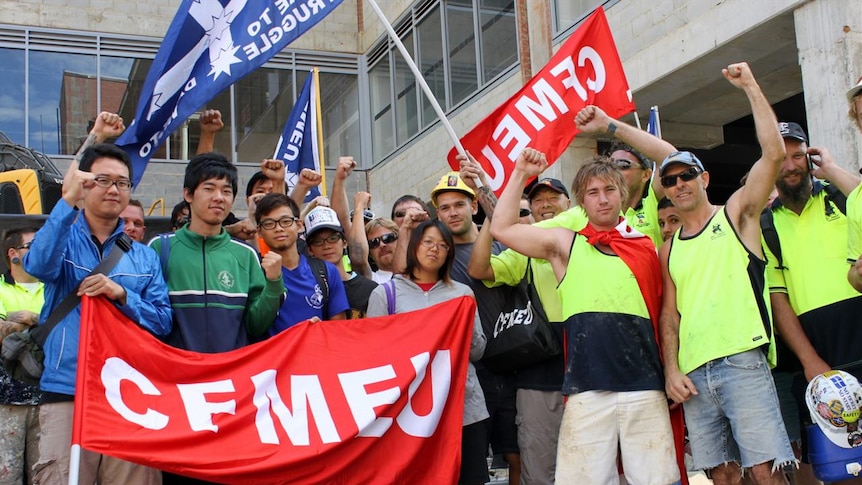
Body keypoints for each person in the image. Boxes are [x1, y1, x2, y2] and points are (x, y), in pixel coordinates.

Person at [490, 150, 679, 484]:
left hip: (645, 386)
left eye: (609, 190)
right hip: (587, 389)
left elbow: (666, 314)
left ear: (622, 193)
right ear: (580, 201)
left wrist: (671, 372)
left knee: (658, 481)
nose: (602, 200)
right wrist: (520, 172)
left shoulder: (646, 245)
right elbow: (502, 228)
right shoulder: (565, 244)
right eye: (593, 192)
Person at [657, 62, 795, 485]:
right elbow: (669, 316)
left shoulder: (736, 215)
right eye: (670, 180)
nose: (680, 184)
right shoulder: (668, 248)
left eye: (687, 176)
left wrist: (751, 85)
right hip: (694, 372)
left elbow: (773, 154)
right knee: (721, 474)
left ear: (705, 178)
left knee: (764, 469)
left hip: (742, 360)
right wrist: (671, 370)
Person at [24, 112, 172, 485]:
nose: (113, 189)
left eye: (122, 182)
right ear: (86, 186)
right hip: (66, 390)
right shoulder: (63, 235)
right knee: (61, 477)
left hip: (129, 394)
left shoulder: (144, 256)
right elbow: (39, 264)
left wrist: (121, 294)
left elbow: (162, 321)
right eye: (102, 180)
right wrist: (67, 200)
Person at [397, 169, 522, 485]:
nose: (452, 212)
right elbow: (403, 277)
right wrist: (404, 232)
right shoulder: (433, 259)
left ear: (475, 206)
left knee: (516, 455)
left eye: (460, 204)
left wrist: (482, 183)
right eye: (445, 207)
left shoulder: (497, 242)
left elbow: (513, 227)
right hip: (458, 379)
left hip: (510, 365)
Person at [764, 121, 862, 485]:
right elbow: (778, 299)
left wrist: (833, 169)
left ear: (809, 156)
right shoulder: (764, 225)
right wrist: (810, 362)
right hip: (818, 350)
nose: (789, 165)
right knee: (842, 465)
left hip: (858, 326)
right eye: (780, 157)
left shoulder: (842, 198)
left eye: (796, 155)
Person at [366, 219, 488, 485]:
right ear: (413, 246)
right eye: (428, 242)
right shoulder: (385, 295)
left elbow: (478, 351)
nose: (435, 249)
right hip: (408, 416)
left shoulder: (463, 294)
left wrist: (463, 327)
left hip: (464, 411)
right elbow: (372, 357)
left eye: (443, 245)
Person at [467, 177, 570, 485]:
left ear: (570, 204)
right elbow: (479, 269)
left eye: (554, 197)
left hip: (593, 374)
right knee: (540, 472)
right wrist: (491, 222)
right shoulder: (523, 251)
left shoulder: (590, 239)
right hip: (539, 379)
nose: (546, 204)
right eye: (539, 200)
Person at [149, 153, 284, 354]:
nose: (219, 197)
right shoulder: (159, 248)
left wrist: (274, 284)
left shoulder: (246, 254)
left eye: (226, 191)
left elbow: (256, 325)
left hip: (230, 378)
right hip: (175, 377)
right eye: (209, 189)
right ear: (188, 194)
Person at [254, 193, 348, 334]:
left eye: (285, 221)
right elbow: (252, 326)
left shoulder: (326, 271)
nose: (278, 228)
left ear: (299, 225)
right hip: (274, 356)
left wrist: (319, 330)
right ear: (259, 232)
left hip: (316, 353)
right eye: (269, 224)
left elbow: (339, 330)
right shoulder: (253, 271)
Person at [0, 227, 44, 485]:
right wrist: (45, 325)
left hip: (50, 399)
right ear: (13, 254)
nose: (41, 251)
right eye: (32, 246)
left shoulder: (55, 287)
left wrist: (31, 320)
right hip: (7, 402)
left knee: (48, 477)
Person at [304, 206, 378, 319]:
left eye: (333, 238)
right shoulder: (306, 290)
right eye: (318, 241)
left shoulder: (370, 289)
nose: (327, 246)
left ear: (344, 242)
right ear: (310, 250)